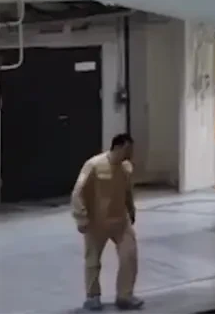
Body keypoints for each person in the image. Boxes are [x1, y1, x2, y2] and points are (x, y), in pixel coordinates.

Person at [71, 133, 143, 311]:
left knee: (129, 255)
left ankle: (125, 296)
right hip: (96, 222)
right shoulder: (94, 165)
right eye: (127, 149)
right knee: (93, 261)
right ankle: (93, 297)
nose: (131, 153)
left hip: (120, 221)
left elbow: (127, 190)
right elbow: (78, 192)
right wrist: (81, 217)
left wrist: (131, 209)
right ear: (117, 147)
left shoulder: (126, 168)